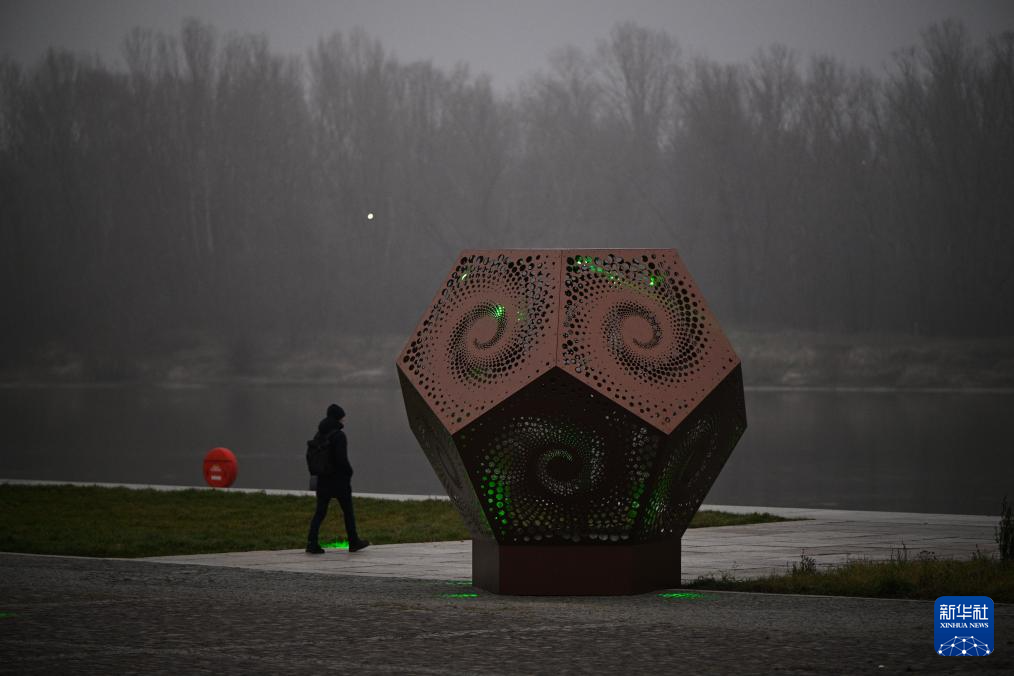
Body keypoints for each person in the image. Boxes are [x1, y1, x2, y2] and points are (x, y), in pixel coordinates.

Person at [306, 403, 370, 554]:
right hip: (339, 480)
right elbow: (342, 459)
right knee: (348, 512)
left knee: (320, 512)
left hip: (323, 479)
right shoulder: (339, 436)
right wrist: (349, 472)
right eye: (343, 417)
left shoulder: (319, 434)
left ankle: (311, 543)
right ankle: (353, 541)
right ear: (338, 418)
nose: (344, 420)